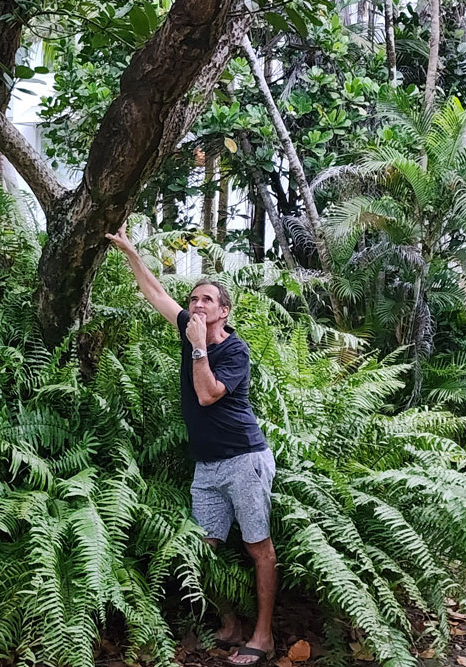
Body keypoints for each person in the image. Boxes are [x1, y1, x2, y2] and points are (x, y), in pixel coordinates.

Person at [105, 223, 277, 666]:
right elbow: (156, 294)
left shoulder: (234, 351)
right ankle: (230, 622)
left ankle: (263, 635)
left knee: (258, 546)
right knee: (207, 546)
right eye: (193, 299)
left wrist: (199, 348)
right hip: (208, 465)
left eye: (206, 300)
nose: (195, 305)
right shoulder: (189, 329)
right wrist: (130, 252)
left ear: (224, 311)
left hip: (244, 460)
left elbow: (207, 394)